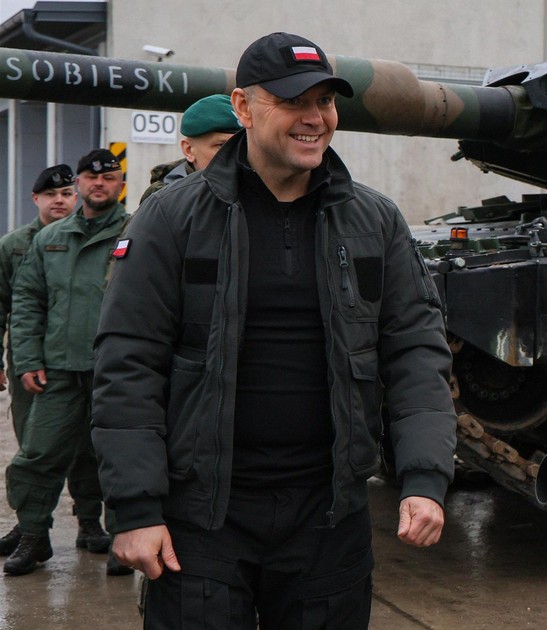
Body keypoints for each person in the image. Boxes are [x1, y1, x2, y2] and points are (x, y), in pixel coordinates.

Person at [91, 32, 457, 628]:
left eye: (326, 102)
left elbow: (415, 351)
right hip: (203, 518)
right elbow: (129, 360)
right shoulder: (172, 218)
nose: (315, 118)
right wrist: (135, 508)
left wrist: (422, 475)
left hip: (329, 517)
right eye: (294, 101)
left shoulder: (374, 221)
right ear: (242, 107)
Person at [4, 151, 128, 576]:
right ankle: (35, 537)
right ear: (79, 184)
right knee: (37, 456)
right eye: (91, 178)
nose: (99, 184)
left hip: (117, 371)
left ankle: (120, 540)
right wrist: (28, 360)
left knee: (119, 458)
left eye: (109, 178)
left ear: (120, 185)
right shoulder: (49, 239)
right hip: (57, 370)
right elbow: (27, 302)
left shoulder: (139, 232)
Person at [140, 93, 242, 203]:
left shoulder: (254, 191)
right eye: (221, 146)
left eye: (242, 145)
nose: (235, 154)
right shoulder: (165, 201)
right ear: (189, 150)